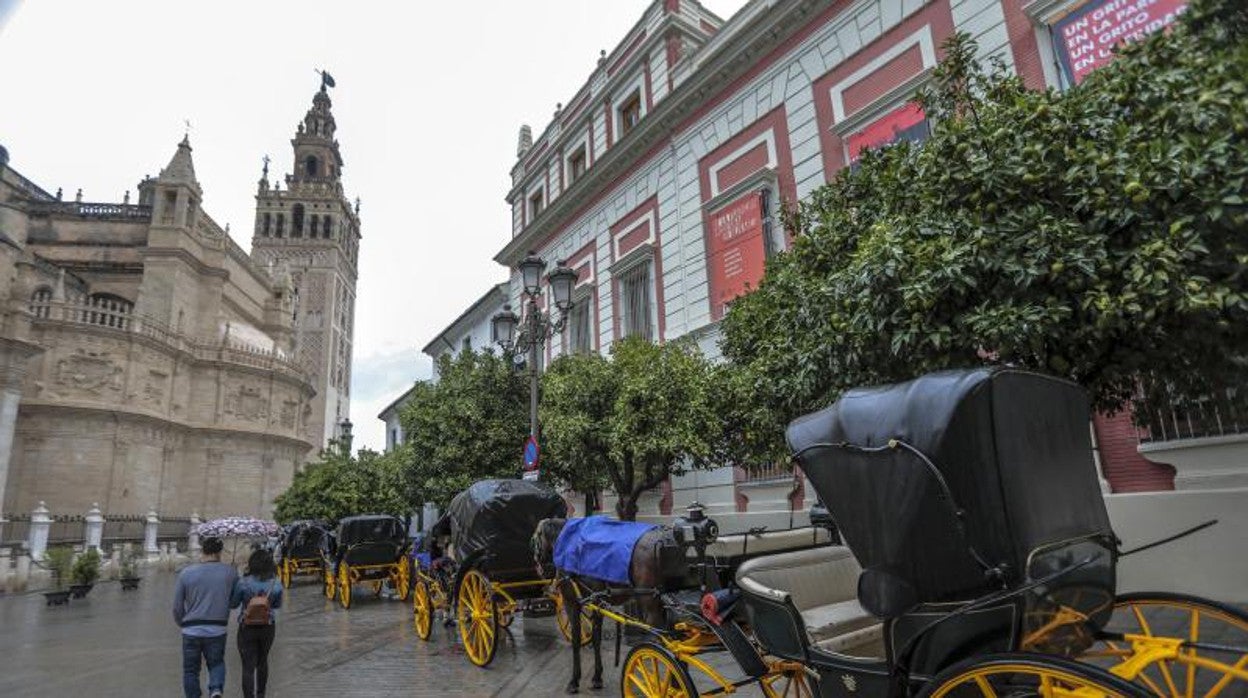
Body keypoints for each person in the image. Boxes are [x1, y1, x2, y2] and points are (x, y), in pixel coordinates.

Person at [173, 536, 238, 698]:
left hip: (190, 630)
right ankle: (215, 690)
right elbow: (234, 603)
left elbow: (177, 606)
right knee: (216, 663)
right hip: (217, 629)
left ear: (203, 551)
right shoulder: (230, 572)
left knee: (190, 670)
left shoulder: (186, 573)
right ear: (220, 552)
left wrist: (182, 623)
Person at [230, 548, 284, 698]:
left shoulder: (243, 583)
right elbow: (277, 605)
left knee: (248, 666)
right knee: (263, 661)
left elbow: (233, 604)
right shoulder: (276, 583)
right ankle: (261, 694)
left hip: (247, 627)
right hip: (268, 626)